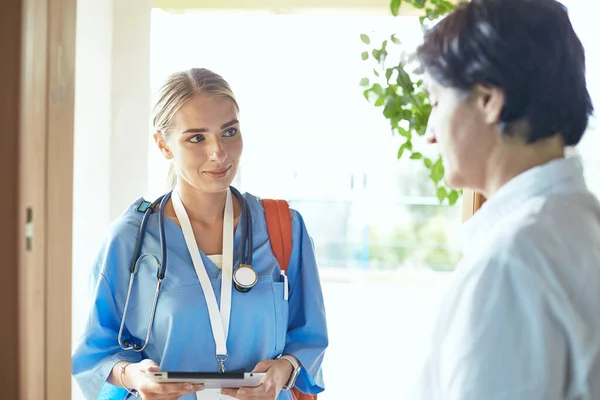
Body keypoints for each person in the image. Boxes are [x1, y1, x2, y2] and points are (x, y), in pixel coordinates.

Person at [72, 68, 328, 400]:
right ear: (163, 145)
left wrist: (282, 371)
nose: (218, 153)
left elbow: (309, 340)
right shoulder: (129, 240)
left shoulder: (283, 228)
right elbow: (95, 354)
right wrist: (133, 375)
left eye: (229, 132)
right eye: (197, 138)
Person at [412, 0, 600, 399]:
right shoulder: (581, 226)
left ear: (487, 100)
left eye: (435, 101)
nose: (429, 134)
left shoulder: (511, 262)